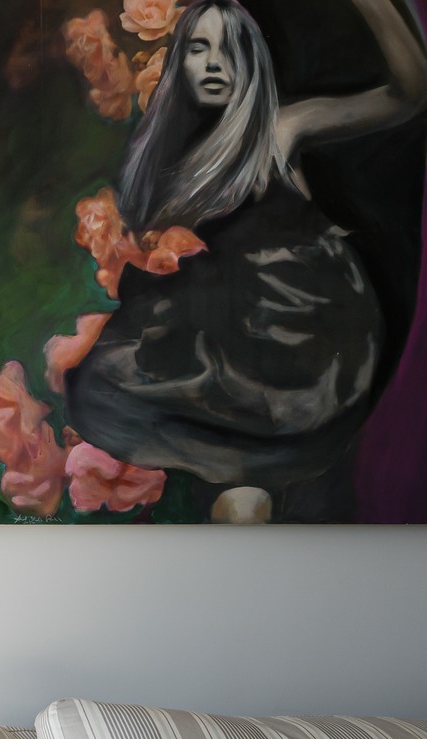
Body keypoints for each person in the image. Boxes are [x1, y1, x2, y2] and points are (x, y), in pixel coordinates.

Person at [65, 0, 427, 521]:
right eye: (199, 48)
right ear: (178, 64)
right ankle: (242, 491)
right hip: (223, 343)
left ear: (255, 62)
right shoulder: (168, 164)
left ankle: (247, 487)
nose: (215, 63)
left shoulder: (279, 131)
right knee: (101, 385)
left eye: (232, 50)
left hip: (299, 339)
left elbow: (408, 93)